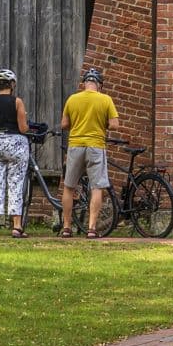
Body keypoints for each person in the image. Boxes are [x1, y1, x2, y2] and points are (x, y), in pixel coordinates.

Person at [59, 64, 116, 238]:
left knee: (69, 187)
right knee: (96, 187)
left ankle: (67, 227)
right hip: (96, 146)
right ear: (99, 84)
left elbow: (64, 125)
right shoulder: (105, 100)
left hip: (76, 145)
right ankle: (91, 228)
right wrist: (101, 124)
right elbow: (114, 124)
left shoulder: (72, 99)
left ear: (84, 83)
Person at [0, 69, 30, 238]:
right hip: (15, 143)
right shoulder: (17, 102)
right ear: (12, 84)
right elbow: (23, 128)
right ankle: (16, 226)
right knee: (15, 183)